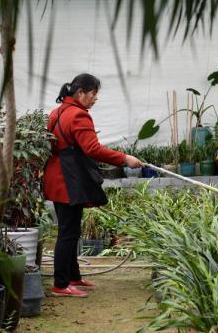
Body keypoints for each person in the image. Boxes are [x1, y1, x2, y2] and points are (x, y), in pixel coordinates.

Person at [43, 73, 143, 298]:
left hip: (57, 176)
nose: (95, 99)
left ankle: (73, 277)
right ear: (80, 93)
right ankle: (60, 284)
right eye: (93, 94)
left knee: (70, 229)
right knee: (68, 233)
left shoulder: (56, 113)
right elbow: (93, 149)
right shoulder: (79, 115)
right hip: (69, 179)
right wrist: (124, 158)